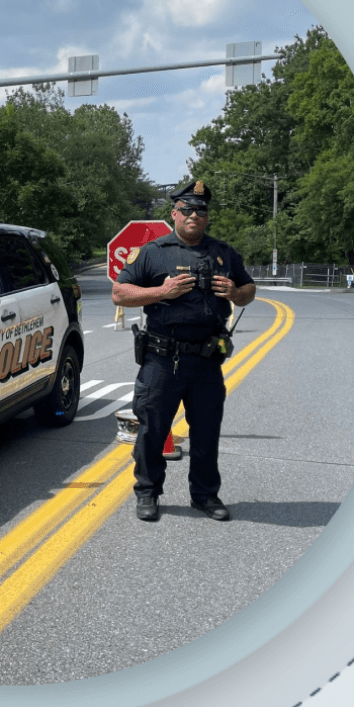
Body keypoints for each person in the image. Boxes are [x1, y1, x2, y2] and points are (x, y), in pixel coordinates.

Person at [110, 178, 257, 522]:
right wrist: (162, 292)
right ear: (175, 213)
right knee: (152, 430)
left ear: (207, 216)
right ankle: (147, 493)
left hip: (206, 360)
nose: (194, 215)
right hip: (162, 358)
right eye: (187, 209)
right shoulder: (154, 252)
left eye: (201, 210)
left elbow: (250, 289)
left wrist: (235, 293)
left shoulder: (223, 253)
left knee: (207, 431)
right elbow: (120, 293)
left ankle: (205, 495)